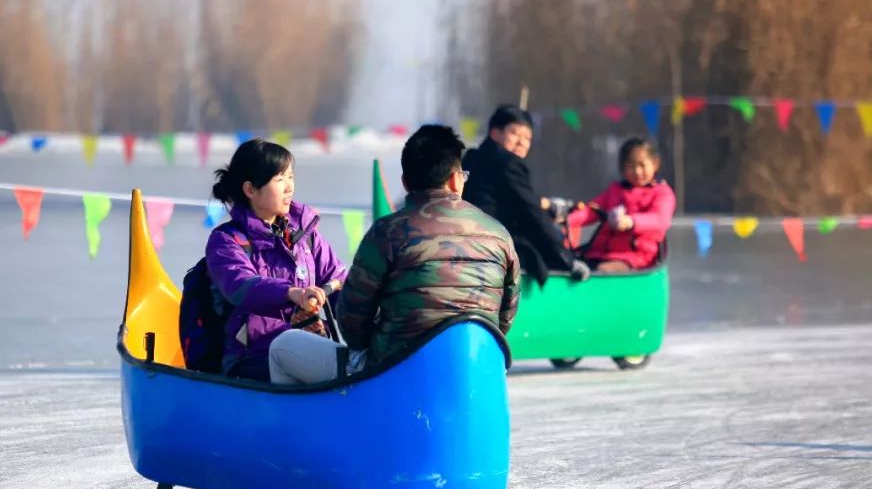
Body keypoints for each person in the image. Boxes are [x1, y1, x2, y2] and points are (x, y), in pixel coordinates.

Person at [268, 124, 520, 384]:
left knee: (282, 346)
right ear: (456, 179)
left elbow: (352, 323)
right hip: (475, 368)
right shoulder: (499, 234)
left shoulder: (387, 233)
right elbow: (504, 319)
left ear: (405, 182)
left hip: (398, 373)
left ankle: (322, 424)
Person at [204, 138, 348, 382]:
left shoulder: (306, 236)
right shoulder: (225, 241)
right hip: (252, 358)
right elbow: (243, 287)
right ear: (250, 190)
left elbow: (340, 282)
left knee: (366, 359)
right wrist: (291, 293)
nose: (289, 187)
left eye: (291, 177)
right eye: (279, 180)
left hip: (307, 348)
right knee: (289, 345)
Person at [462, 104, 590, 285]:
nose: (522, 142)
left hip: (465, 242)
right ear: (495, 133)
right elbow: (531, 213)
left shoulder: (472, 158)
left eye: (527, 137)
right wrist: (566, 259)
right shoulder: (508, 162)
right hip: (495, 248)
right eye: (515, 133)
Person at [566, 137, 675, 272]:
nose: (637, 172)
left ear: (655, 164)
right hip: (600, 253)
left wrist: (631, 222)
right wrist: (565, 221)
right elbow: (591, 211)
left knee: (602, 271)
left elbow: (660, 219)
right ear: (622, 169)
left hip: (637, 258)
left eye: (642, 165)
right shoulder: (615, 191)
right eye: (631, 166)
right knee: (565, 263)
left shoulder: (662, 193)